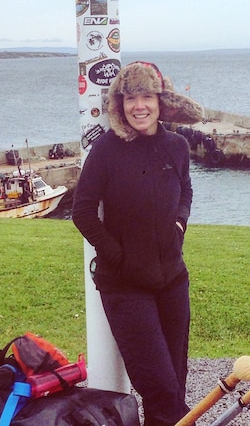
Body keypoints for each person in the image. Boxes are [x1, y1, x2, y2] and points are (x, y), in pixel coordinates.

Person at [72, 61, 203, 426]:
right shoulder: (106, 150)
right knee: (159, 387)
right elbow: (82, 212)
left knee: (175, 384)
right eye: (131, 98)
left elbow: (186, 190)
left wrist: (179, 224)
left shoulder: (176, 146)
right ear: (120, 104)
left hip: (172, 281)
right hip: (125, 286)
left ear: (161, 101)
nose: (139, 106)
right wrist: (120, 256)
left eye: (147, 96)